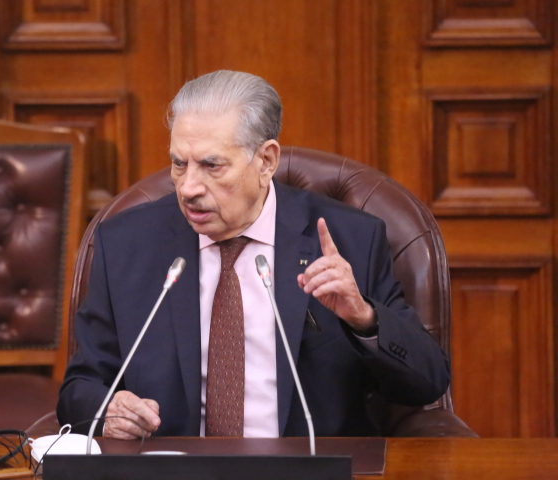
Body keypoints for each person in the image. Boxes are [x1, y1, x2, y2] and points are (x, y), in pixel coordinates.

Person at [57, 70, 450, 439]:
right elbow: (80, 387)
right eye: (179, 164)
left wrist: (364, 318)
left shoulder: (351, 239)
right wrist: (107, 410)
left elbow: (427, 383)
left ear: (266, 161)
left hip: (307, 469)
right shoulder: (127, 244)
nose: (188, 187)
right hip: (172, 468)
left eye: (211, 165)